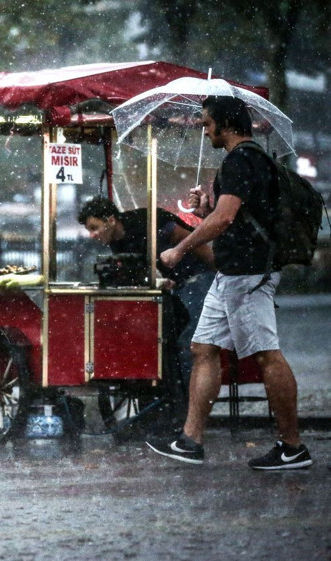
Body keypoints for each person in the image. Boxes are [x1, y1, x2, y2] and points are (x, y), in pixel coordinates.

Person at [147, 95, 313, 470]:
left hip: (247, 275)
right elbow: (233, 216)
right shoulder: (251, 160)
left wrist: (180, 249)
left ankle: (292, 446)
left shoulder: (241, 160)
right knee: (203, 348)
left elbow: (224, 220)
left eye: (207, 124)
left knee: (267, 354)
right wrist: (206, 209)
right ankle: (190, 441)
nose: (205, 131)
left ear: (225, 124)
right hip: (233, 273)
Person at [78, 197, 215, 390]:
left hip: (199, 278)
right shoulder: (117, 241)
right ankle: (175, 395)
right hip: (178, 284)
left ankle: (186, 401)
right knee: (168, 343)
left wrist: (220, 270)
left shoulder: (147, 222)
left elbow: (194, 242)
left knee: (189, 345)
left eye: (94, 228)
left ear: (111, 220)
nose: (92, 235)